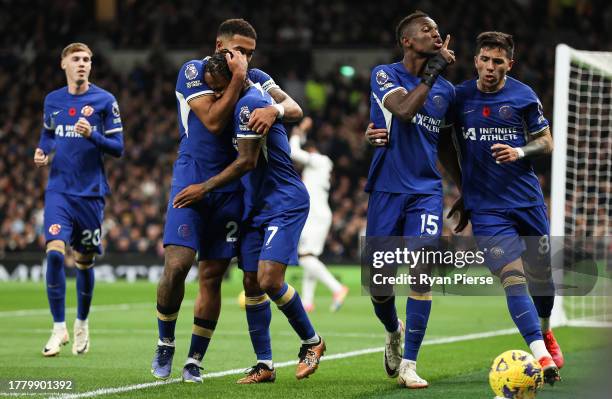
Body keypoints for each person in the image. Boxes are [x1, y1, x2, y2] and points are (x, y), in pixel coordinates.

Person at [151, 19, 304, 383]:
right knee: (177, 264)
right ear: (220, 45)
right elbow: (215, 121)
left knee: (212, 275)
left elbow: (295, 107)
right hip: (192, 179)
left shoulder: (258, 77)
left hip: (232, 186)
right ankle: (165, 341)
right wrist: (238, 79)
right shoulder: (194, 71)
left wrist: (275, 109)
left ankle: (194, 360)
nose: (245, 58)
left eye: (250, 53)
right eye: (239, 50)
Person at [173, 51, 325, 384]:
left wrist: (204, 188)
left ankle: (312, 342)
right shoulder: (239, 100)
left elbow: (246, 162)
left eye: (218, 88)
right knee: (251, 282)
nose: (214, 95)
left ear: (235, 79)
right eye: (211, 88)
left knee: (270, 279)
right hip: (255, 205)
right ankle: (264, 364)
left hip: (283, 201)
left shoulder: (248, 104)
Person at [446, 31, 561, 384]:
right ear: (475, 60)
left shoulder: (523, 95)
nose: (490, 67)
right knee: (513, 277)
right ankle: (541, 357)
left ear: (509, 64)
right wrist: (464, 187)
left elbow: (547, 142)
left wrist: (520, 152)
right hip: (487, 209)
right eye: (485, 59)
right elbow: (442, 142)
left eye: (498, 61)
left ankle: (545, 330)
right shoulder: (460, 97)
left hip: (526, 201)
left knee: (542, 280)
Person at [364, 11, 456, 389]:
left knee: (422, 269)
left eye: (437, 29)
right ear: (407, 40)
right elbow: (402, 112)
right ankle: (393, 331)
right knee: (380, 285)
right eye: (427, 30)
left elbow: (446, 145)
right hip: (386, 188)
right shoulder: (384, 74)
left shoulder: (447, 93)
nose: (436, 33)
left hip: (425, 191)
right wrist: (433, 70)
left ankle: (410, 365)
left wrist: (463, 189)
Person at [34, 42, 124, 357]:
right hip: (59, 189)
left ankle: (82, 322)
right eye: (76, 59)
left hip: (91, 194)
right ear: (64, 64)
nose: (82, 63)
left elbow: (118, 148)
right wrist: (43, 150)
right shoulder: (52, 100)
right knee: (56, 254)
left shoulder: (104, 100)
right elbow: (48, 132)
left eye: (87, 59)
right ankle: (58, 327)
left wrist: (93, 136)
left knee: (84, 261)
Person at [288, 117, 349, 313]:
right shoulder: (320, 165)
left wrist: (297, 132)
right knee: (310, 257)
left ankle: (337, 288)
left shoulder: (320, 160)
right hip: (318, 213)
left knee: (305, 258)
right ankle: (307, 302)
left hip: (315, 215)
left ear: (311, 151)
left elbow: (293, 152)